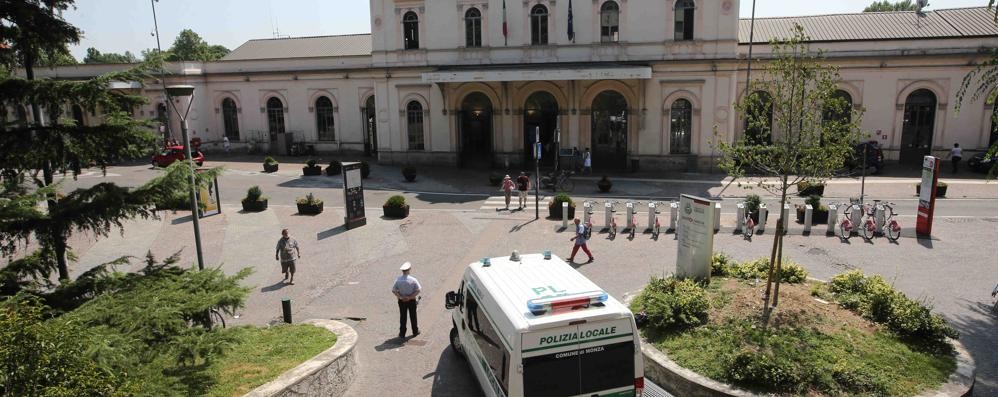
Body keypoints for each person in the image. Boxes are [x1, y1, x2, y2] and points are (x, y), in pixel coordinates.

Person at [392, 262, 421, 339]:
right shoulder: (413, 280)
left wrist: (400, 297)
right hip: (411, 301)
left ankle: (402, 333)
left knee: (403, 317)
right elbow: (418, 290)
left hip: (402, 302)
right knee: (413, 316)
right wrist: (410, 297)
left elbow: (394, 290)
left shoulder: (398, 280)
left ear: (402, 271)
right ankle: (415, 331)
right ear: (409, 270)